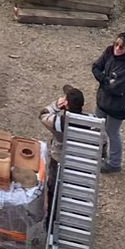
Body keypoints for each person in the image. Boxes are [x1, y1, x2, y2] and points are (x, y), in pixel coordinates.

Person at [92, 31, 125, 173]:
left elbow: (116, 89)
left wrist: (103, 79)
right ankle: (100, 150)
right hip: (102, 101)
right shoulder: (109, 52)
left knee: (113, 133)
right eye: (116, 44)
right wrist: (107, 80)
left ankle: (114, 163)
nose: (117, 49)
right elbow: (95, 67)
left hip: (117, 107)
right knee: (96, 127)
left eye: (121, 47)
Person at [39, 85, 85, 223]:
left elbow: (42, 115)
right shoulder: (92, 124)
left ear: (65, 104)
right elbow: (104, 142)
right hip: (80, 165)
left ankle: (51, 222)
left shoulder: (59, 124)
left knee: (53, 191)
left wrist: (55, 106)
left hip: (59, 162)